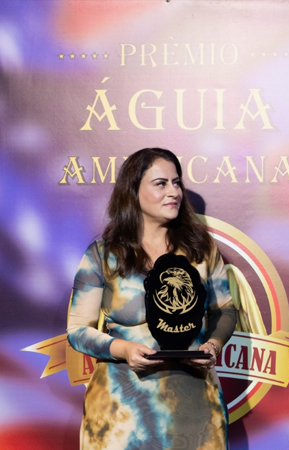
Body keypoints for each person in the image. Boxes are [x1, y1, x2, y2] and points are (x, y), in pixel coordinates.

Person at [67, 148, 236, 450]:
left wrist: (212, 345)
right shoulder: (103, 254)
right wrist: (124, 349)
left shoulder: (201, 248)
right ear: (133, 191)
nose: (174, 192)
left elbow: (225, 310)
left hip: (195, 408)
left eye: (176, 182)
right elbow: (78, 330)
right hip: (120, 415)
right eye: (161, 183)